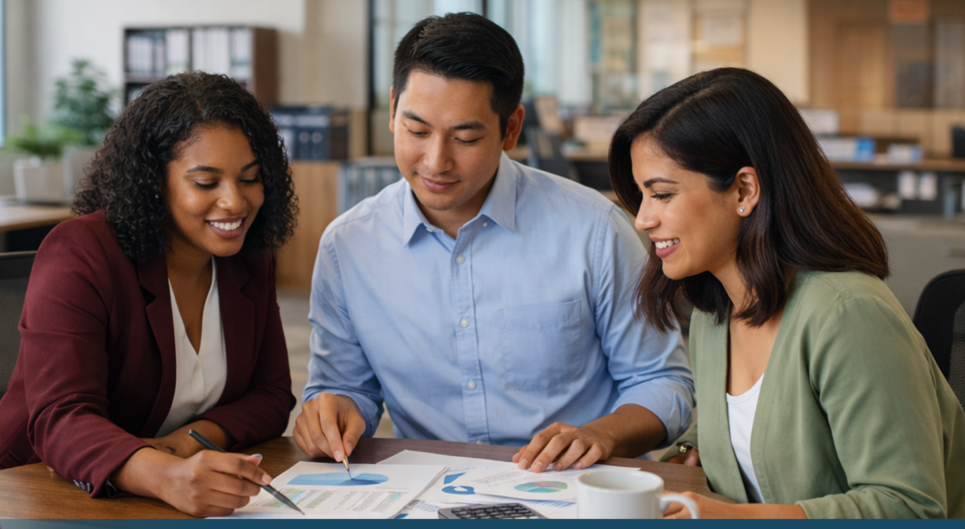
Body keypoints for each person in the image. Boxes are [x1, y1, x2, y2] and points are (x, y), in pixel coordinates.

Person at [609, 67, 965, 529]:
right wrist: (680, 462)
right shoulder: (715, 313)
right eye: (641, 197)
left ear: (745, 190)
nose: (643, 218)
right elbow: (733, 434)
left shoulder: (846, 313)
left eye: (661, 194)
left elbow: (907, 513)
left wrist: (731, 524)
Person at [295, 13, 693, 471]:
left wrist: (601, 434)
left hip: (573, 487)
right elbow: (345, 389)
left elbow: (662, 382)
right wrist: (332, 412)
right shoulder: (348, 246)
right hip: (431, 491)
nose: (436, 161)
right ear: (392, 110)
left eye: (465, 137)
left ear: (511, 128)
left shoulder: (593, 229)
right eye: (417, 131)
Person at [0, 72, 297, 518]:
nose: (235, 203)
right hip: (24, 497)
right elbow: (62, 418)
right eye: (206, 182)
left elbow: (271, 395)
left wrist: (181, 446)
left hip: (148, 505)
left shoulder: (249, 256)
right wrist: (165, 475)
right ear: (154, 182)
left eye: (250, 178)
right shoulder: (81, 253)